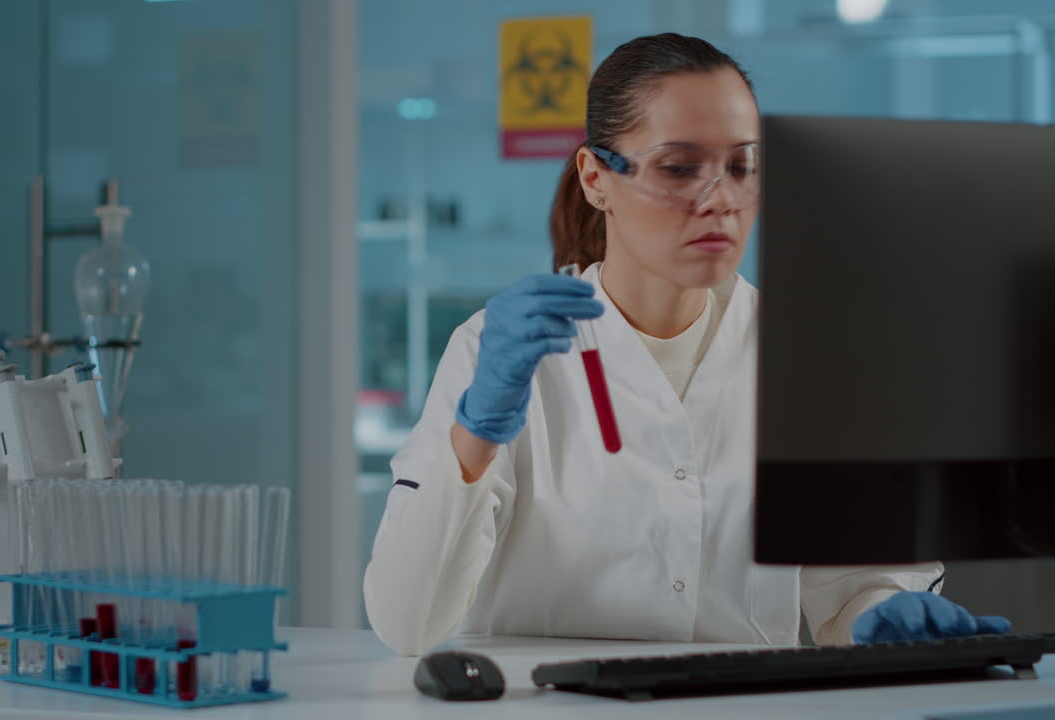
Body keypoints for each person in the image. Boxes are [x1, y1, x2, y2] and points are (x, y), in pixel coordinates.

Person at [362, 33, 1010, 656]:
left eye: (742, 167)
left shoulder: (808, 357)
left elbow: (851, 592)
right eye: (679, 168)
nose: (720, 200)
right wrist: (475, 433)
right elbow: (405, 622)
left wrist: (884, 611)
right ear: (595, 178)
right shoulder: (494, 352)